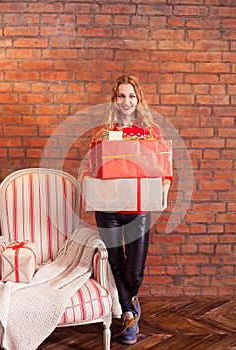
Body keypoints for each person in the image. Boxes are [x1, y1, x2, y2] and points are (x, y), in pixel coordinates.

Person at [88, 75, 172, 345]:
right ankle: (129, 313)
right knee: (115, 262)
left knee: (134, 271)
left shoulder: (150, 131)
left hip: (138, 208)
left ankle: (130, 303)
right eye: (121, 96)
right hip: (107, 210)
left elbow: (163, 166)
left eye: (131, 96)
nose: (126, 101)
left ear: (138, 100)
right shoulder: (103, 132)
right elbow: (92, 167)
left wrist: (165, 189)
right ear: (115, 100)